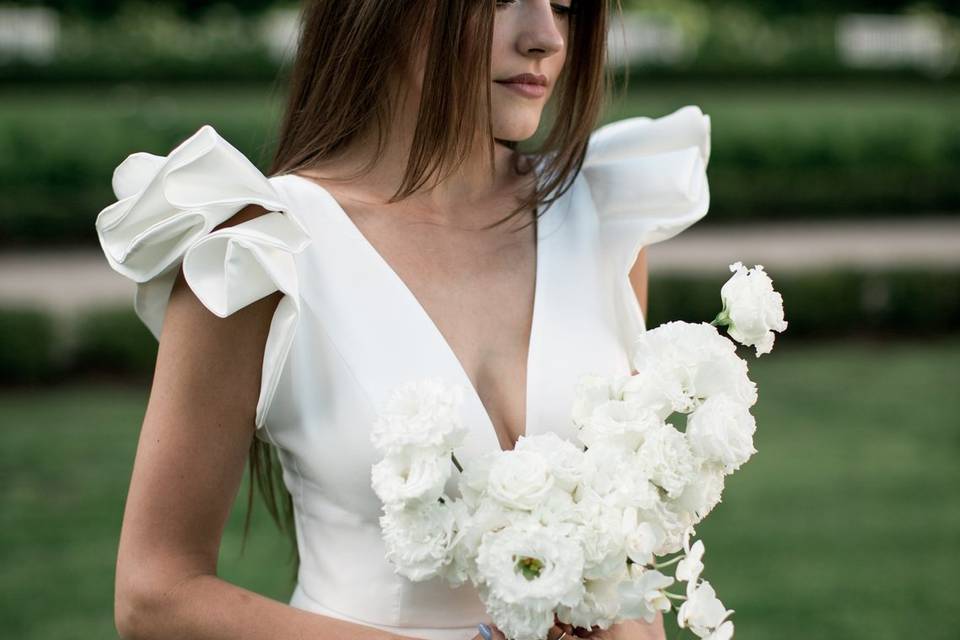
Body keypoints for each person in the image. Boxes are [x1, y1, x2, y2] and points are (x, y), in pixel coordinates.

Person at [95, 1, 710, 639]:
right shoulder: (259, 247)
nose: (546, 38)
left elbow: (625, 571)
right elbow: (154, 595)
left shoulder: (600, 217)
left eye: (563, 5)